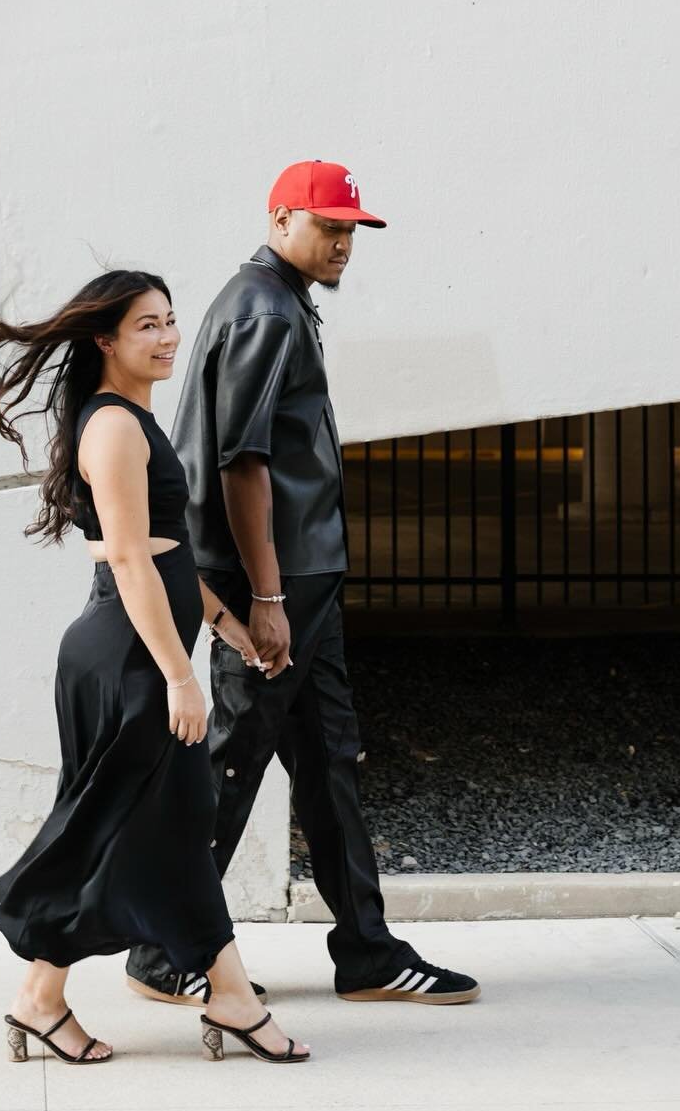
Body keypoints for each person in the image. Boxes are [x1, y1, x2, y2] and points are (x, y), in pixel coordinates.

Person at [125, 162, 479, 1008]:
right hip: (275, 588)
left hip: (300, 580)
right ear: (281, 219)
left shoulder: (277, 303)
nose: (344, 243)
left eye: (352, 230)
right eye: (329, 226)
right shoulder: (265, 311)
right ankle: (161, 945)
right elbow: (242, 461)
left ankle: (366, 951)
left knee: (330, 763)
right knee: (231, 762)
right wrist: (269, 599)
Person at [0, 244, 310, 1066]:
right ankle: (225, 997)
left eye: (169, 321)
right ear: (105, 342)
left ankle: (44, 998)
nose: (167, 337)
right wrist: (180, 676)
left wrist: (229, 628)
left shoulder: (135, 421)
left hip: (139, 650)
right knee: (160, 823)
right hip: (127, 659)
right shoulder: (114, 427)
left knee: (134, 826)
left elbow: (172, 552)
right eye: (146, 325)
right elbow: (129, 558)